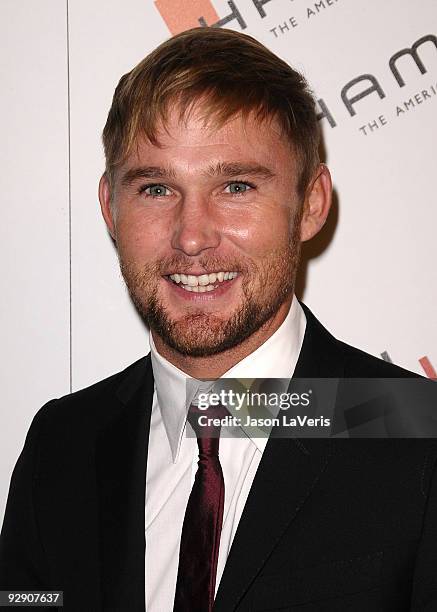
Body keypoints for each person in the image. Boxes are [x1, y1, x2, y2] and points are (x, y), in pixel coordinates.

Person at [1, 26, 437, 612]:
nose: (192, 237)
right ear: (110, 206)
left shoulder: (419, 434)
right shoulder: (62, 443)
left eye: (235, 186)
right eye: (156, 188)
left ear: (310, 203)